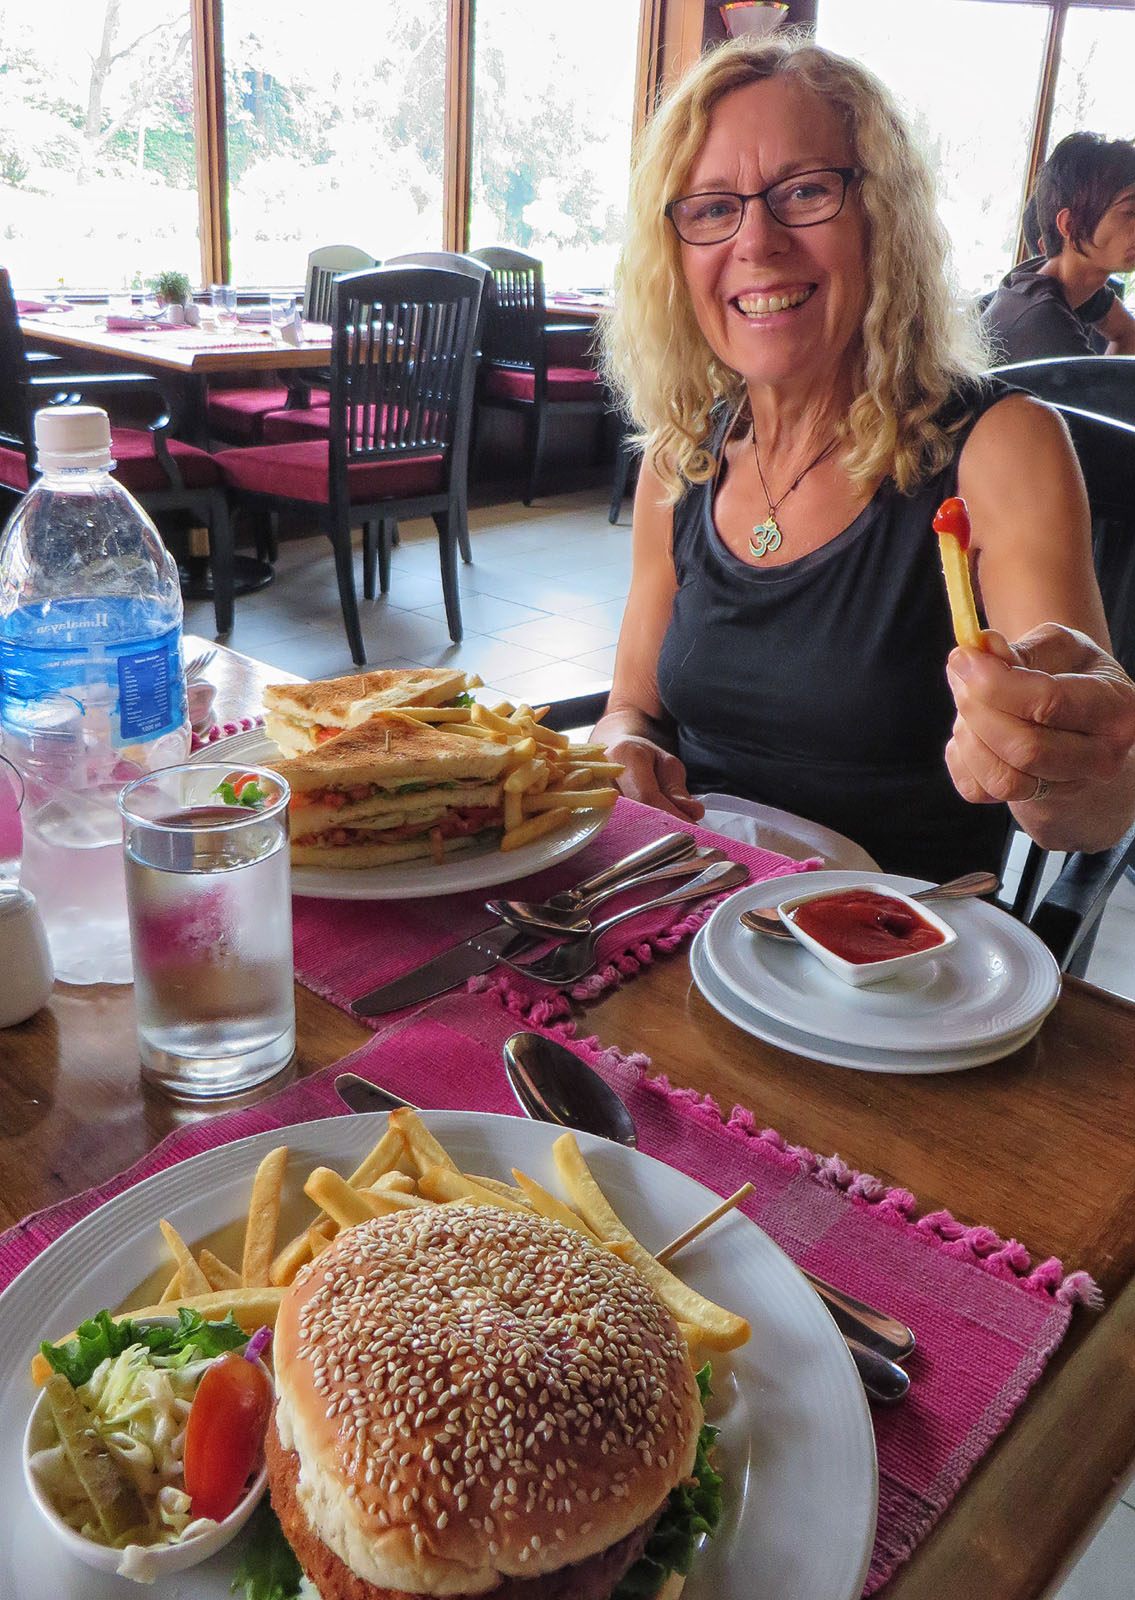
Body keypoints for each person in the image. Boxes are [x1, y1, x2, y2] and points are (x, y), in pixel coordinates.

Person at [596, 36, 1135, 883]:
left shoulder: (999, 445)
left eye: (805, 192)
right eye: (710, 208)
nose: (756, 241)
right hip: (678, 910)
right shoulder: (680, 457)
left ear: (882, 219)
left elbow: (1085, 817)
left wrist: (1062, 758)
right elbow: (632, 706)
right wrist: (622, 745)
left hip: (897, 939)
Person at [983, 132, 1135, 364]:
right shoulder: (1044, 324)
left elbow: (1128, 332)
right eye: (1129, 213)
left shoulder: (1048, 281)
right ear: (1069, 225)